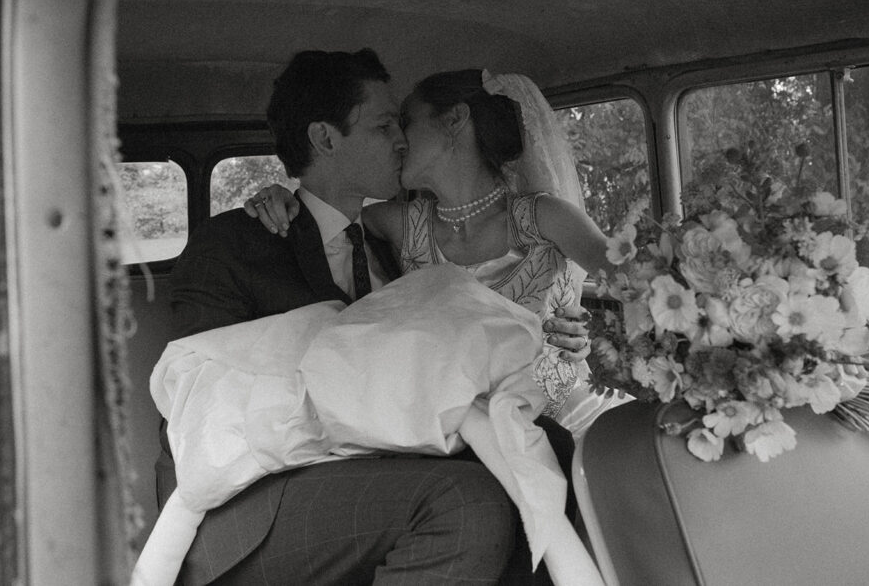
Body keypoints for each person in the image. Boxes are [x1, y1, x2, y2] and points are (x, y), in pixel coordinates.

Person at [158, 49, 590, 586]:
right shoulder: (235, 243)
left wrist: (547, 341)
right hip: (258, 500)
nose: (402, 139)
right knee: (465, 502)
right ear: (325, 139)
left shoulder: (398, 249)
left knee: (550, 446)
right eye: (386, 125)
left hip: (392, 469)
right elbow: (201, 403)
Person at [246, 68, 616, 424]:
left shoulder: (546, 218)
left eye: (406, 120)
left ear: (455, 119)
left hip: (573, 420)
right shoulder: (399, 224)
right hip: (469, 439)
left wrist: (593, 338)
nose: (400, 140)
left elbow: (638, 284)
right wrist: (279, 197)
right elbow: (323, 216)